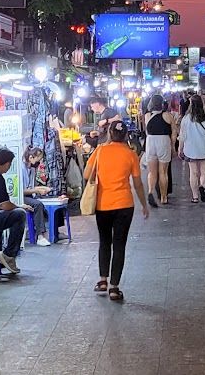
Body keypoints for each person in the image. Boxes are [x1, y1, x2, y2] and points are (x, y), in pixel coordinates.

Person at [84, 121, 149, 302]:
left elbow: (86, 175)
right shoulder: (131, 154)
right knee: (119, 244)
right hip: (124, 205)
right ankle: (114, 288)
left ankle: (102, 280)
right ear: (126, 135)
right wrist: (144, 204)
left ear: (110, 134)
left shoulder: (100, 151)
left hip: (103, 205)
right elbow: (137, 183)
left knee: (105, 242)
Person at [0, 147, 28, 275]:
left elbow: (1, 205)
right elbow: (6, 205)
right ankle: (9, 254)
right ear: (7, 164)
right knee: (19, 215)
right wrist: (19, 206)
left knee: (5, 214)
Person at [139, 95, 176, 207]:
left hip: (151, 142)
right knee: (163, 172)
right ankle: (164, 197)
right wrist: (173, 146)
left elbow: (146, 131)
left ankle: (150, 192)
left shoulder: (147, 116)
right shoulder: (167, 115)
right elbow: (174, 132)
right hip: (163, 141)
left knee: (152, 172)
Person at [178, 94, 205, 203]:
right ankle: (202, 186)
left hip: (190, 149)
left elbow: (182, 136)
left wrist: (180, 148)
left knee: (193, 173)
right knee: (204, 171)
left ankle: (195, 197)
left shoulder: (186, 119)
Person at [22, 146, 62, 245]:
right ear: (31, 158)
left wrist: (40, 189)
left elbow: (31, 187)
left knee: (52, 199)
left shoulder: (31, 169)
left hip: (30, 194)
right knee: (38, 204)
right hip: (22, 196)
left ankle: (55, 231)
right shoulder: (22, 169)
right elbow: (22, 190)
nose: (38, 164)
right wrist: (37, 190)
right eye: (37, 160)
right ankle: (40, 236)